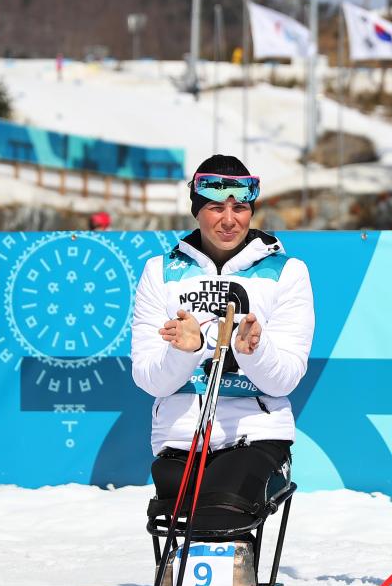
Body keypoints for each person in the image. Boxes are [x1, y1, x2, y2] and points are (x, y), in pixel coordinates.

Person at [130, 153, 314, 565]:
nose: (229, 219)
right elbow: (150, 380)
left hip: (255, 433)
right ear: (197, 209)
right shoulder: (159, 272)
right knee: (174, 505)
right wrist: (187, 350)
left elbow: (284, 381)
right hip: (181, 437)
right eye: (216, 207)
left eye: (240, 207)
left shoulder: (288, 272)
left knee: (221, 505)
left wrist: (254, 351)